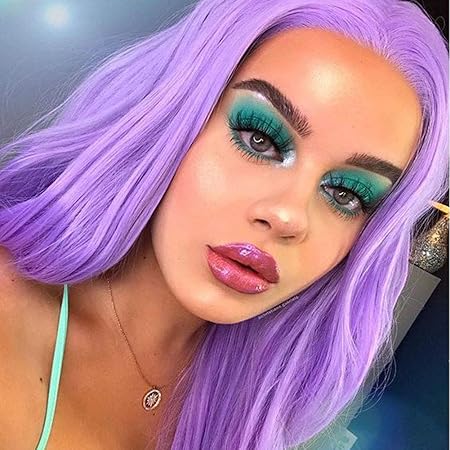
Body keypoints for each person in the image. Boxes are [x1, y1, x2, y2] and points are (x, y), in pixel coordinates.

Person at [0, 0, 447, 449]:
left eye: (346, 194)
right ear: (173, 116)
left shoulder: (273, 407)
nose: (289, 216)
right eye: (261, 138)